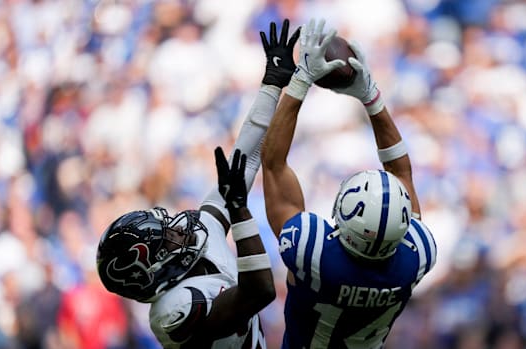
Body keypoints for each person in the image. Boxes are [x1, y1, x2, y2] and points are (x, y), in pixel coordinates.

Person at [96, 19, 300, 348]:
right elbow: (259, 291)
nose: (179, 229)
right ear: (150, 269)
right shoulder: (170, 312)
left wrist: (273, 84)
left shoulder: (201, 230)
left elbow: (245, 159)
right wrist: (240, 212)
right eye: (167, 239)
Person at [261, 18, 438, 348]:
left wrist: (302, 81)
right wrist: (370, 95)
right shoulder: (416, 256)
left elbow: (273, 164)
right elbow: (401, 172)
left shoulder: (312, 251)